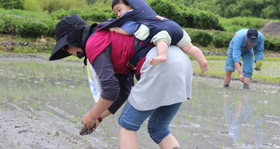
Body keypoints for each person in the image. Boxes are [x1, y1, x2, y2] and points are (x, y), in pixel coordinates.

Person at [49, 14, 193, 149]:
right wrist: (98, 118)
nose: (68, 52)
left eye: (65, 47)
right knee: (159, 129)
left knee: (127, 124)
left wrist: (92, 115)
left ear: (73, 39)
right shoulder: (107, 36)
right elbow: (122, 91)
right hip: (181, 63)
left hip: (158, 65)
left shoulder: (94, 43)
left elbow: (110, 89)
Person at [109, 0, 209, 74]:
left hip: (163, 31)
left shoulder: (132, 17)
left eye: (119, 10)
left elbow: (127, 31)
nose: (118, 15)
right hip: (174, 26)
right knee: (189, 47)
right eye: (116, 13)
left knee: (160, 40)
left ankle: (162, 55)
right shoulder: (146, 12)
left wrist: (115, 29)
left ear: (130, 6)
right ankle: (202, 61)